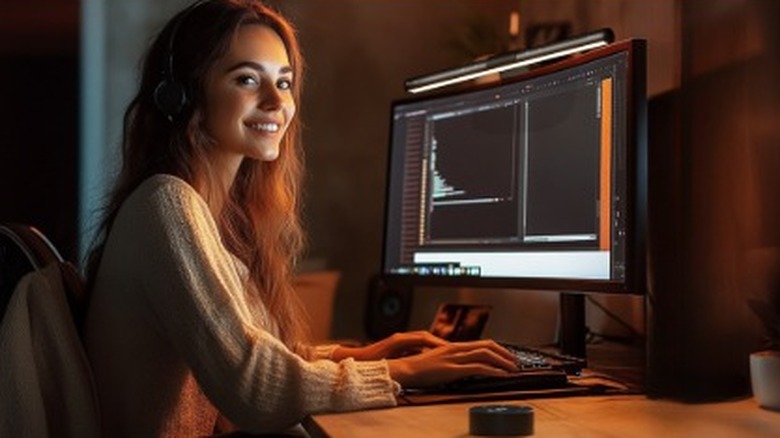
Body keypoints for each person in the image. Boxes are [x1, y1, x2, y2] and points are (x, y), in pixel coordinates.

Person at [83, 1, 519, 436]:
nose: (277, 102)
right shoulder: (168, 205)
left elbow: (263, 358)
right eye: (247, 79)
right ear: (180, 96)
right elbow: (254, 389)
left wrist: (376, 356)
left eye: (285, 82)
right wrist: (401, 372)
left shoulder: (208, 213)